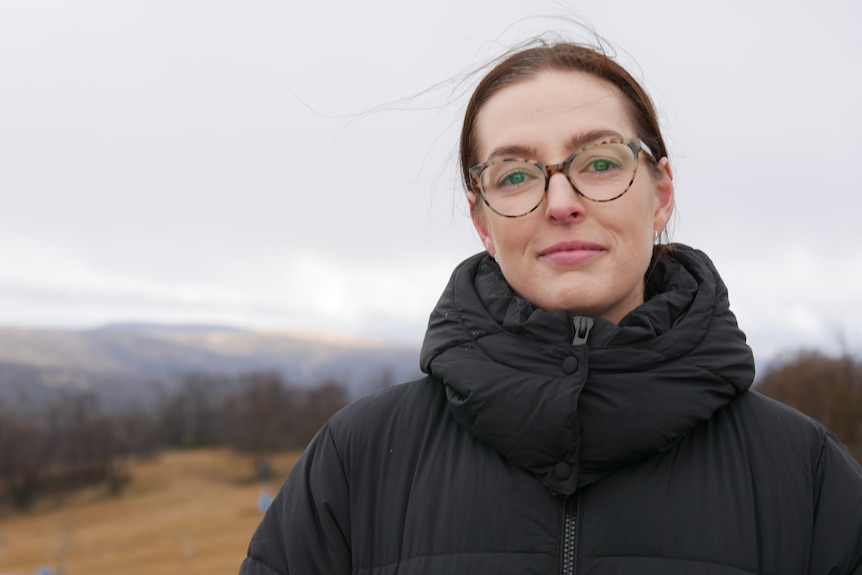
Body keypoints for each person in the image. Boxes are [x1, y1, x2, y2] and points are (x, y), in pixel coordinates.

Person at [239, 39, 862, 574]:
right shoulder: (357, 460)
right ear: (482, 219)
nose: (560, 201)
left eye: (598, 162)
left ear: (661, 193)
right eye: (515, 175)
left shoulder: (804, 475)